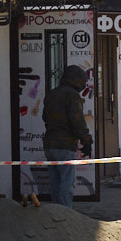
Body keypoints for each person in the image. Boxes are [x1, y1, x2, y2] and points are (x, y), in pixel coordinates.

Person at [42, 64, 92, 208]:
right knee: (67, 182)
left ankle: (56, 212)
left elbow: (45, 117)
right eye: (82, 82)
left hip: (49, 145)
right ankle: (65, 215)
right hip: (64, 146)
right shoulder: (72, 96)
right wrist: (86, 141)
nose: (83, 85)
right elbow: (77, 122)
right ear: (76, 80)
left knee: (55, 182)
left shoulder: (52, 94)